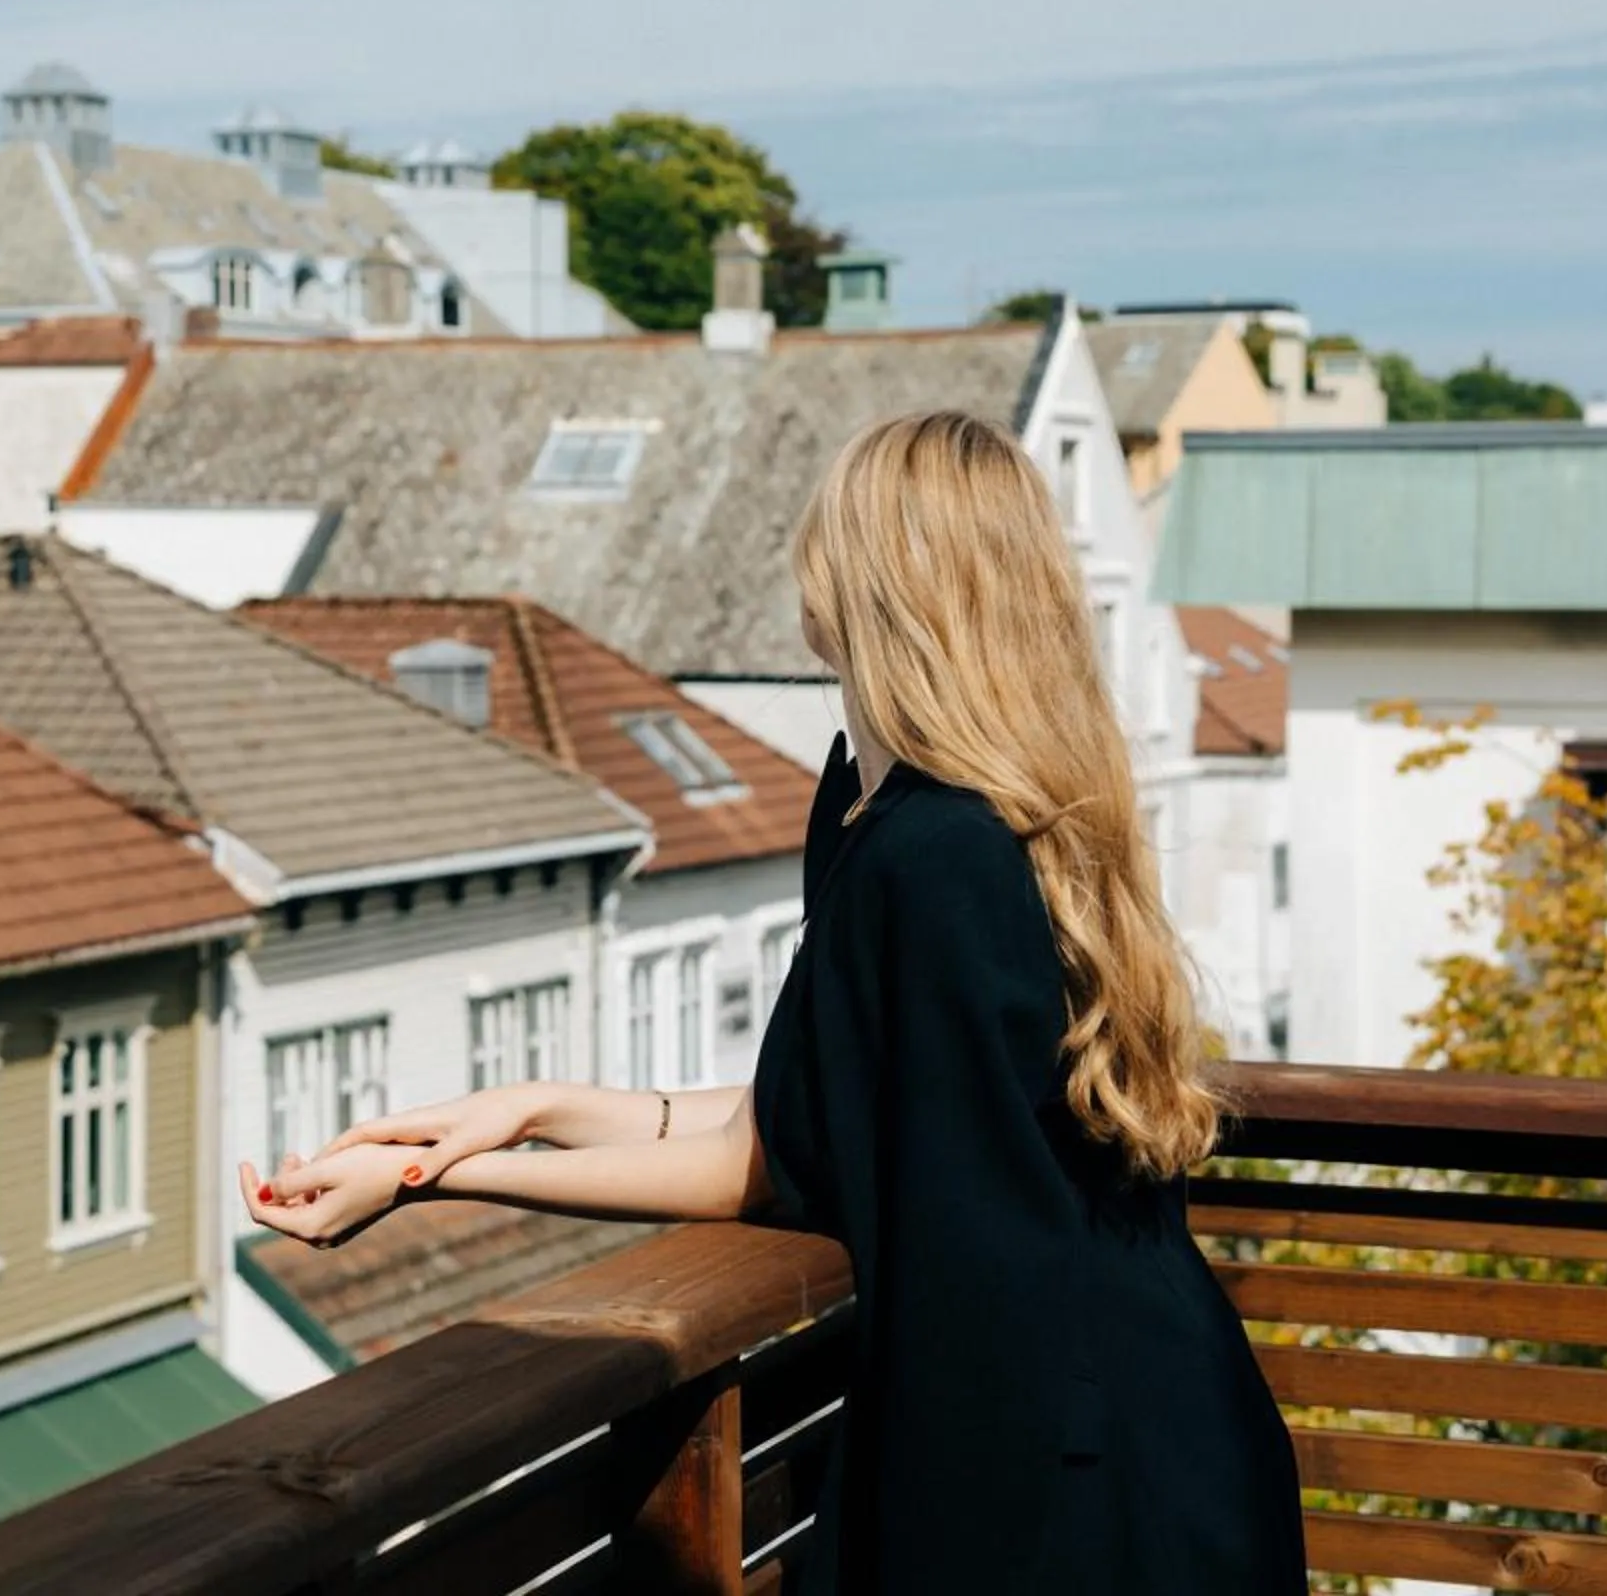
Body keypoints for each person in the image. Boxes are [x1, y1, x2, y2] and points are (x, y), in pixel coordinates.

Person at [242, 408, 1308, 1593]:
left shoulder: (928, 854)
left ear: (859, 589)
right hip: (1162, 1423)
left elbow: (755, 1165)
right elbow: (812, 1106)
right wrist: (522, 1106)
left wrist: (426, 1176)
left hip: (1049, 1476)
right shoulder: (998, 821)